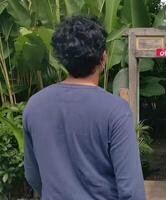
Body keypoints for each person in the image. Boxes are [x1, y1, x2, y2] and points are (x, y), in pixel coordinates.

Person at [22, 16, 146, 200]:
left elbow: (33, 176)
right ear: (103, 57)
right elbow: (132, 190)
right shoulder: (116, 110)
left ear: (62, 59)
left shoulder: (34, 105)